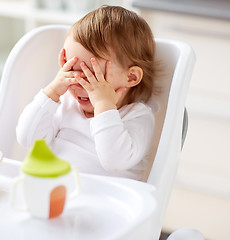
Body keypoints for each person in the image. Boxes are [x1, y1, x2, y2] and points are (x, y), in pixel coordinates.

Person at [16, 6, 156, 181]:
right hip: (56, 191)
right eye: (71, 71)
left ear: (131, 76)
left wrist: (104, 106)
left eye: (93, 76)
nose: (78, 83)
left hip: (106, 201)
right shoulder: (67, 104)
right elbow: (28, 139)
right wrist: (52, 91)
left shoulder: (137, 116)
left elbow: (114, 161)